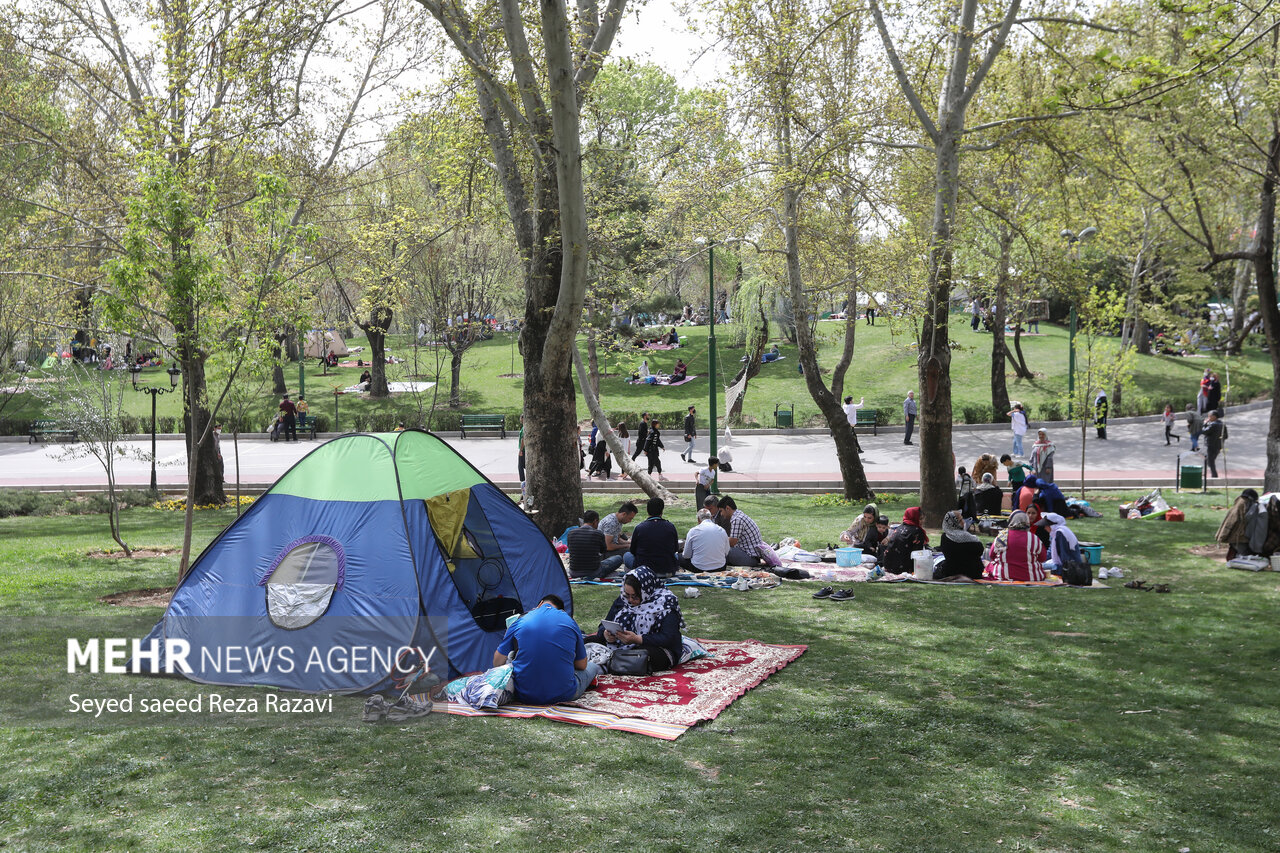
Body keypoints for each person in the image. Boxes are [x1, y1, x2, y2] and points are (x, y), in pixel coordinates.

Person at [494, 594, 600, 704]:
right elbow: (582, 665)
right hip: (565, 694)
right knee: (593, 666)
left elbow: (497, 662)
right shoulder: (569, 622)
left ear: (540, 604)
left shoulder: (519, 621)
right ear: (562, 611)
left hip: (523, 694)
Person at [582, 567, 684, 673]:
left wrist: (637, 639)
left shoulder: (665, 604)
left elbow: (668, 637)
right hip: (619, 644)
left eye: (635, 597)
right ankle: (614, 661)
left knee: (643, 655)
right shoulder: (623, 600)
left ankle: (612, 662)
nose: (630, 600)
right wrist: (606, 634)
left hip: (654, 646)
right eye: (627, 595)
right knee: (586, 642)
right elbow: (605, 624)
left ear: (646, 591)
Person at [985, 511, 1046, 582]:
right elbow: (1043, 558)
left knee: (987, 563)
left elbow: (991, 555)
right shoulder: (1034, 538)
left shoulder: (1002, 536)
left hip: (1003, 575)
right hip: (1031, 577)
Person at [628, 497, 679, 576]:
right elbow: (675, 548)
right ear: (662, 510)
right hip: (667, 569)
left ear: (647, 510)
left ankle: (634, 575)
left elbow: (633, 550)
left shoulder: (639, 528)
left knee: (627, 556)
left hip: (644, 569)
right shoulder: (670, 527)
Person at [567, 511, 624, 579]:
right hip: (594, 572)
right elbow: (603, 551)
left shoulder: (571, 533)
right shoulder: (598, 534)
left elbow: (570, 549)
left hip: (574, 572)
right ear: (595, 521)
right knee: (618, 558)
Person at [718, 495, 769, 567]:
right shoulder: (739, 515)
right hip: (752, 555)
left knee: (722, 550)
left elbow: (731, 543)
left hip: (751, 558)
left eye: (721, 511)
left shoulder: (737, 519)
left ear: (727, 508)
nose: (721, 514)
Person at [935, 510, 985, 580]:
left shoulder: (944, 537)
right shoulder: (969, 538)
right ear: (955, 523)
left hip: (951, 571)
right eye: (961, 520)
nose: (963, 522)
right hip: (973, 573)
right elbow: (980, 550)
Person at [880, 507, 929, 574]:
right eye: (920, 519)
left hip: (888, 565)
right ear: (914, 518)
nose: (922, 521)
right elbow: (918, 554)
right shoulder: (917, 531)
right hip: (903, 568)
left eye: (923, 519)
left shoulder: (900, 527)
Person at [1202, 409, 1225, 478]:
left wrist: (1205, 424)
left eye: (1209, 416)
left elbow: (1204, 431)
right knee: (1210, 460)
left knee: (1210, 461)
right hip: (1219, 445)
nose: (1208, 418)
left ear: (1214, 417)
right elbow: (1225, 435)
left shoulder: (1213, 425)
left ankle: (1214, 476)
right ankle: (1213, 474)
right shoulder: (1222, 424)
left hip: (1211, 445)